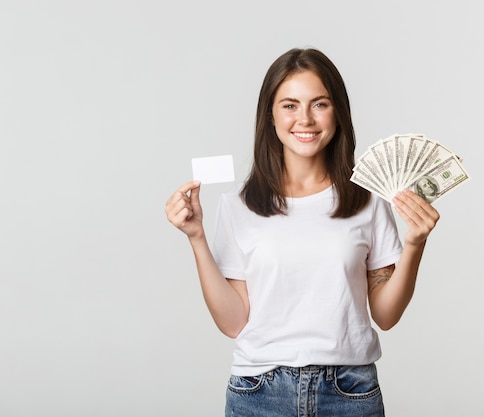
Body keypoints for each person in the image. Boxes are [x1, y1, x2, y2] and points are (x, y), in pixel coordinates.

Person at [165, 47, 440, 417]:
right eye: (290, 105)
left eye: (319, 104)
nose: (305, 119)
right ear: (271, 115)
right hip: (259, 393)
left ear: (338, 113)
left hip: (350, 392)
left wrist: (414, 244)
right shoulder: (237, 206)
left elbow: (386, 316)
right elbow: (232, 323)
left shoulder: (369, 202)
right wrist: (196, 237)